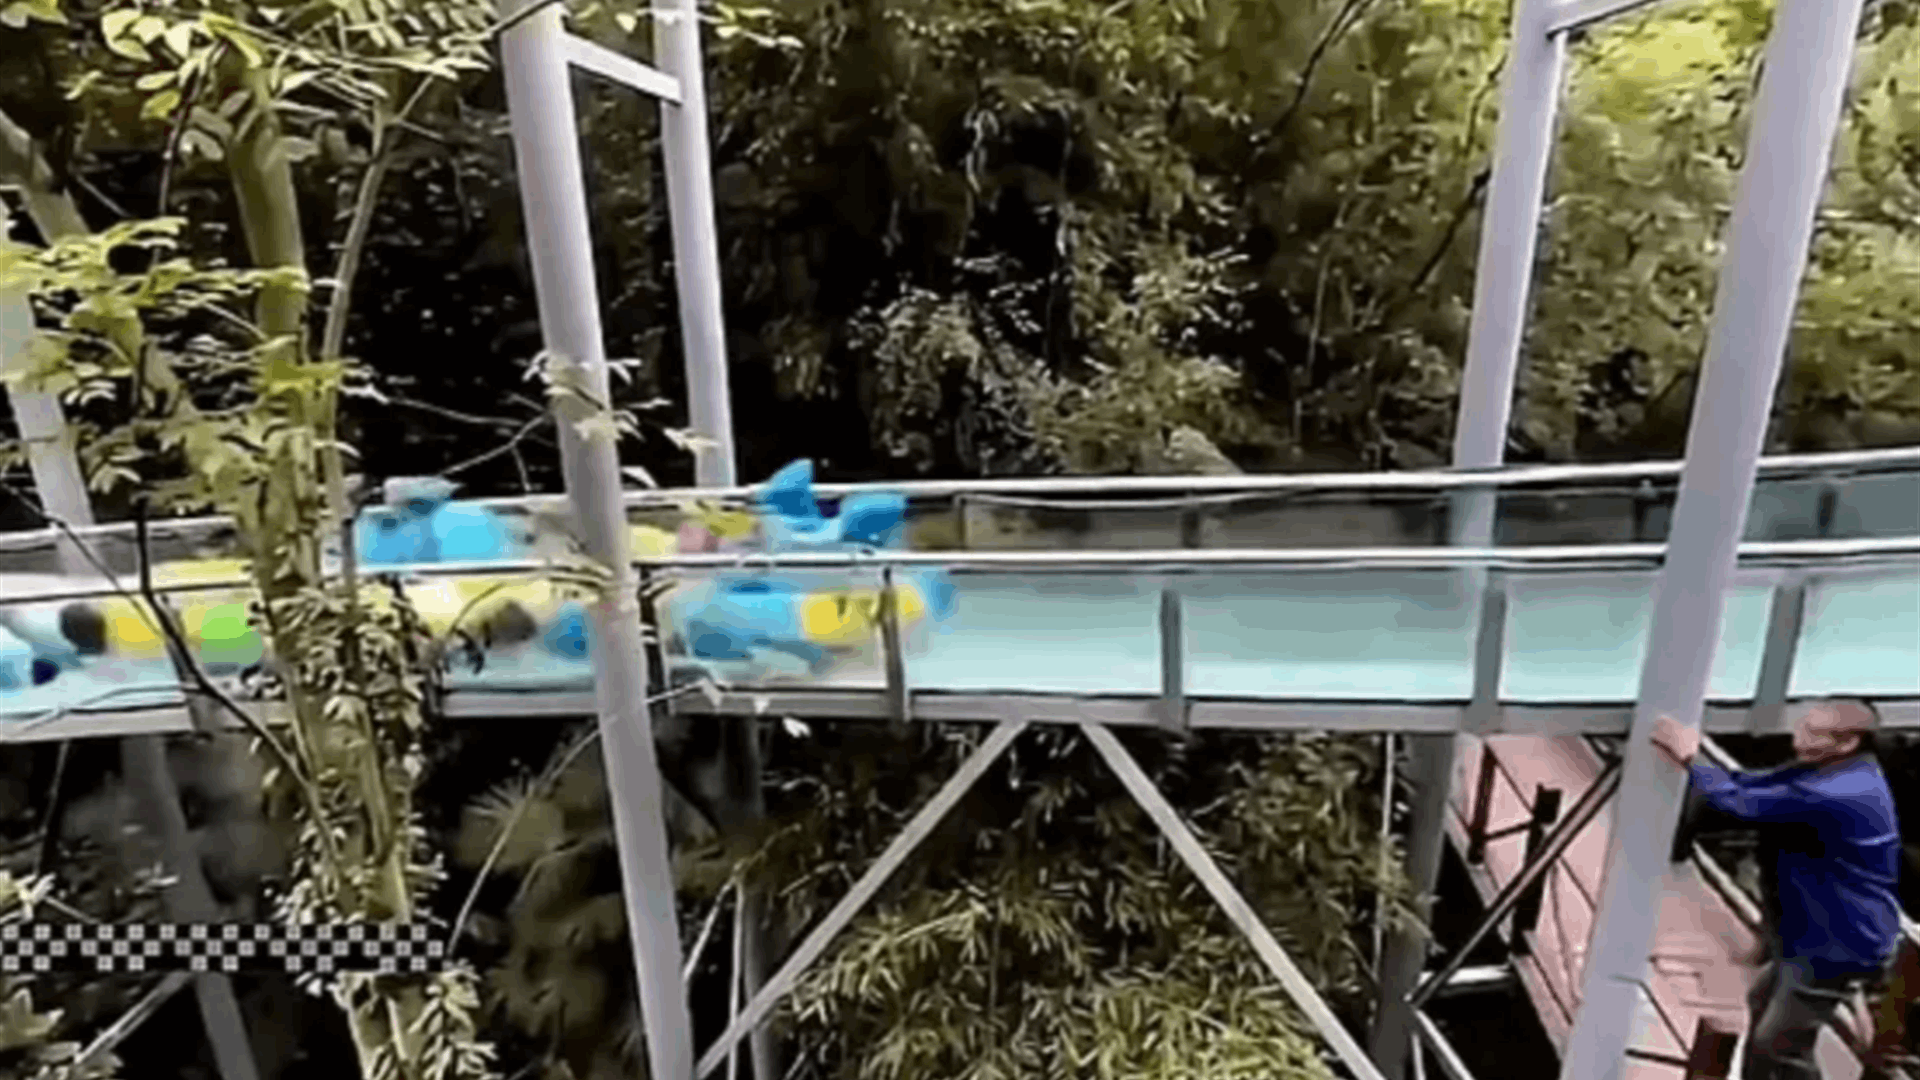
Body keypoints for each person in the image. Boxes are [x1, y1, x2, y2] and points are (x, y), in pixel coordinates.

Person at [1652, 700, 1904, 1080]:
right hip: (1812, 930)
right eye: (1803, 726)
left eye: (1814, 732)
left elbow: (1742, 803)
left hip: (1838, 940)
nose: (1798, 737)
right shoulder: (1833, 768)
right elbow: (1752, 782)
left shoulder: (1838, 790)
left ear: (1849, 742)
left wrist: (1689, 755)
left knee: (1778, 1044)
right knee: (1761, 1002)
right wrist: (1700, 757)